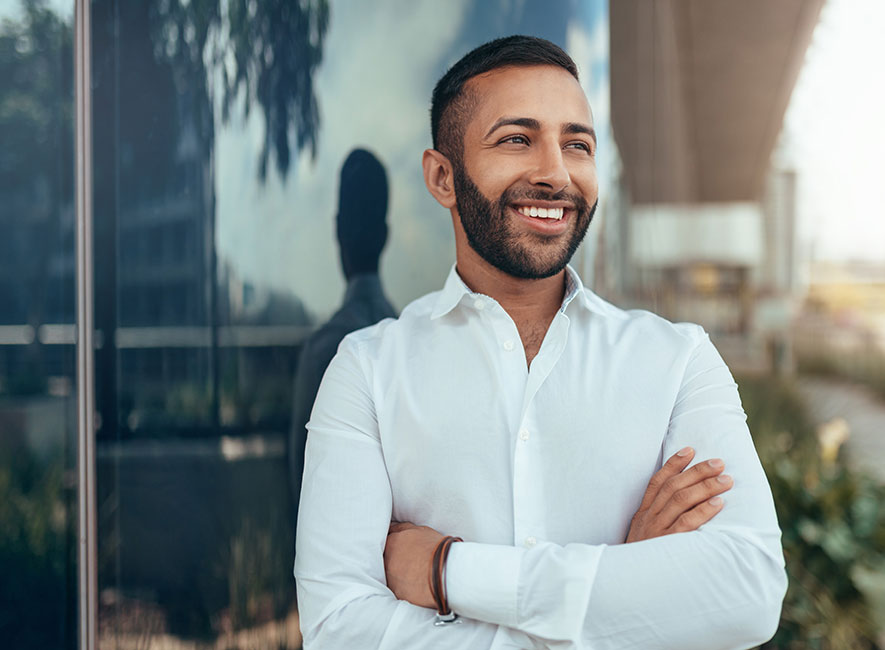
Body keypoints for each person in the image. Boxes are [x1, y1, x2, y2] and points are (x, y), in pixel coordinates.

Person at [295, 36, 786, 649]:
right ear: (443, 177)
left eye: (576, 144)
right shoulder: (365, 371)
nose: (555, 173)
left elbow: (747, 592)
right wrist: (624, 591)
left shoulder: (678, 361)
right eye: (516, 139)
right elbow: (338, 630)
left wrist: (446, 571)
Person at [288, 148, 396, 502]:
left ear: (337, 231)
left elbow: (302, 489)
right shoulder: (409, 344)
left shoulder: (324, 350)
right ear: (385, 236)